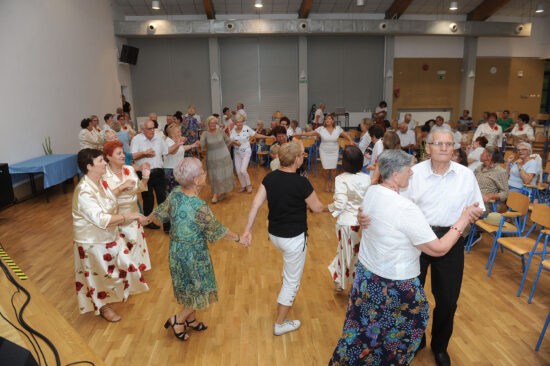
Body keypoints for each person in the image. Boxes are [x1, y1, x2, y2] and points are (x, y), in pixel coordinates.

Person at [331, 149, 480, 366]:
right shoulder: (405, 208)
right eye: (409, 169)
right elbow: (438, 249)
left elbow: (366, 212)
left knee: (363, 332)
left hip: (367, 277)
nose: (412, 173)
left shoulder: (373, 191)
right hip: (393, 286)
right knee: (399, 335)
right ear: (395, 175)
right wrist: (463, 220)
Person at [145, 157, 248, 341]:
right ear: (195, 180)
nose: (205, 174)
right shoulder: (200, 206)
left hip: (176, 251)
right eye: (202, 173)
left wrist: (144, 219)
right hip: (194, 255)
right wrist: (240, 238)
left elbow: (159, 211)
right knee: (200, 290)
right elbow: (218, 230)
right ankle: (178, 320)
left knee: (187, 287)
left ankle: (190, 320)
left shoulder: (176, 192)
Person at [243, 141, 328, 336]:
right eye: (302, 156)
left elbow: (255, 204)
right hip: (293, 239)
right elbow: (316, 208)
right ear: (297, 160)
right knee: (292, 282)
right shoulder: (301, 182)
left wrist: (248, 230)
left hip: (275, 235)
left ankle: (285, 291)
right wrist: (333, 207)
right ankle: (280, 324)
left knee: (289, 269)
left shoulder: (270, 178)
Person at [73, 148, 149, 322]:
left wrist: (122, 187)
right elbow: (101, 219)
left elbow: (108, 199)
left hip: (110, 235)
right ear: (89, 166)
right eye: (100, 161)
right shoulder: (84, 190)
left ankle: (118, 293)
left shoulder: (100, 182)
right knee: (97, 275)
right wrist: (132, 216)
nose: (105, 164)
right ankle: (103, 307)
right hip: (92, 240)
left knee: (124, 264)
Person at [103, 140, 152, 274]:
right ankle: (122, 276)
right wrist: (120, 188)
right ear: (108, 156)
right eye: (118, 153)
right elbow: (102, 198)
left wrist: (145, 178)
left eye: (123, 153)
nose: (123, 156)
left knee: (135, 244)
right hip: (115, 217)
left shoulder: (129, 169)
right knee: (118, 249)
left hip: (133, 215)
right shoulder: (103, 174)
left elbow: (137, 189)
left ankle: (135, 276)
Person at [327, 146, 371, 292]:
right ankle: (358, 284)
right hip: (363, 222)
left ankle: (341, 282)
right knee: (359, 254)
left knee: (344, 252)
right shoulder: (366, 178)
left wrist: (328, 208)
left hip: (346, 223)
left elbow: (340, 203)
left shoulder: (341, 179)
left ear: (344, 162)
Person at [295, 113, 355, 192]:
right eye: (326, 119)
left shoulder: (338, 128)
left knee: (333, 169)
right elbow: (310, 133)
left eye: (329, 119)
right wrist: (299, 134)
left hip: (334, 150)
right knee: (325, 169)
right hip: (324, 151)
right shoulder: (321, 129)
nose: (327, 120)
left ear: (333, 121)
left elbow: (346, 135)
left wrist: (350, 140)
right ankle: (326, 182)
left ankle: (333, 183)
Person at [131, 120, 170, 232]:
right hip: (144, 174)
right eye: (149, 129)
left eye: (153, 128)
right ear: (143, 130)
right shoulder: (136, 140)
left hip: (158, 172)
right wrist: (144, 153)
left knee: (162, 198)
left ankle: (167, 225)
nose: (152, 130)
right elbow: (132, 157)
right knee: (148, 199)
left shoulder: (158, 138)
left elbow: (166, 151)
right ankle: (148, 222)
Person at [229, 114, 268, 193]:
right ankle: (243, 186)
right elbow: (230, 142)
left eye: (241, 122)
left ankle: (249, 185)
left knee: (243, 170)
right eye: (237, 122)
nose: (239, 124)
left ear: (243, 122)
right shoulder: (232, 131)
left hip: (246, 152)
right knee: (239, 171)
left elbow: (256, 135)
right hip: (237, 153)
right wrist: (235, 143)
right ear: (235, 123)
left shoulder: (246, 128)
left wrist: (268, 137)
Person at [199, 116, 235, 203]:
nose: (213, 125)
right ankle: (215, 194)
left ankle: (223, 192)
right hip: (212, 158)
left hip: (224, 156)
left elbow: (228, 140)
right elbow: (201, 144)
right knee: (214, 176)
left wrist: (236, 142)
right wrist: (197, 144)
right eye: (211, 123)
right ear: (208, 124)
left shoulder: (220, 132)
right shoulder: (205, 134)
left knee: (223, 175)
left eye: (214, 123)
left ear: (216, 124)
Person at [164, 123, 199, 192]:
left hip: (178, 169)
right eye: (178, 132)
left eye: (180, 131)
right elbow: (173, 152)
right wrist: (179, 143)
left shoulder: (176, 141)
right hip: (170, 170)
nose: (180, 133)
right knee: (173, 192)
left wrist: (193, 145)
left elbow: (182, 148)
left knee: (180, 191)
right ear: (172, 134)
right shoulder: (167, 142)